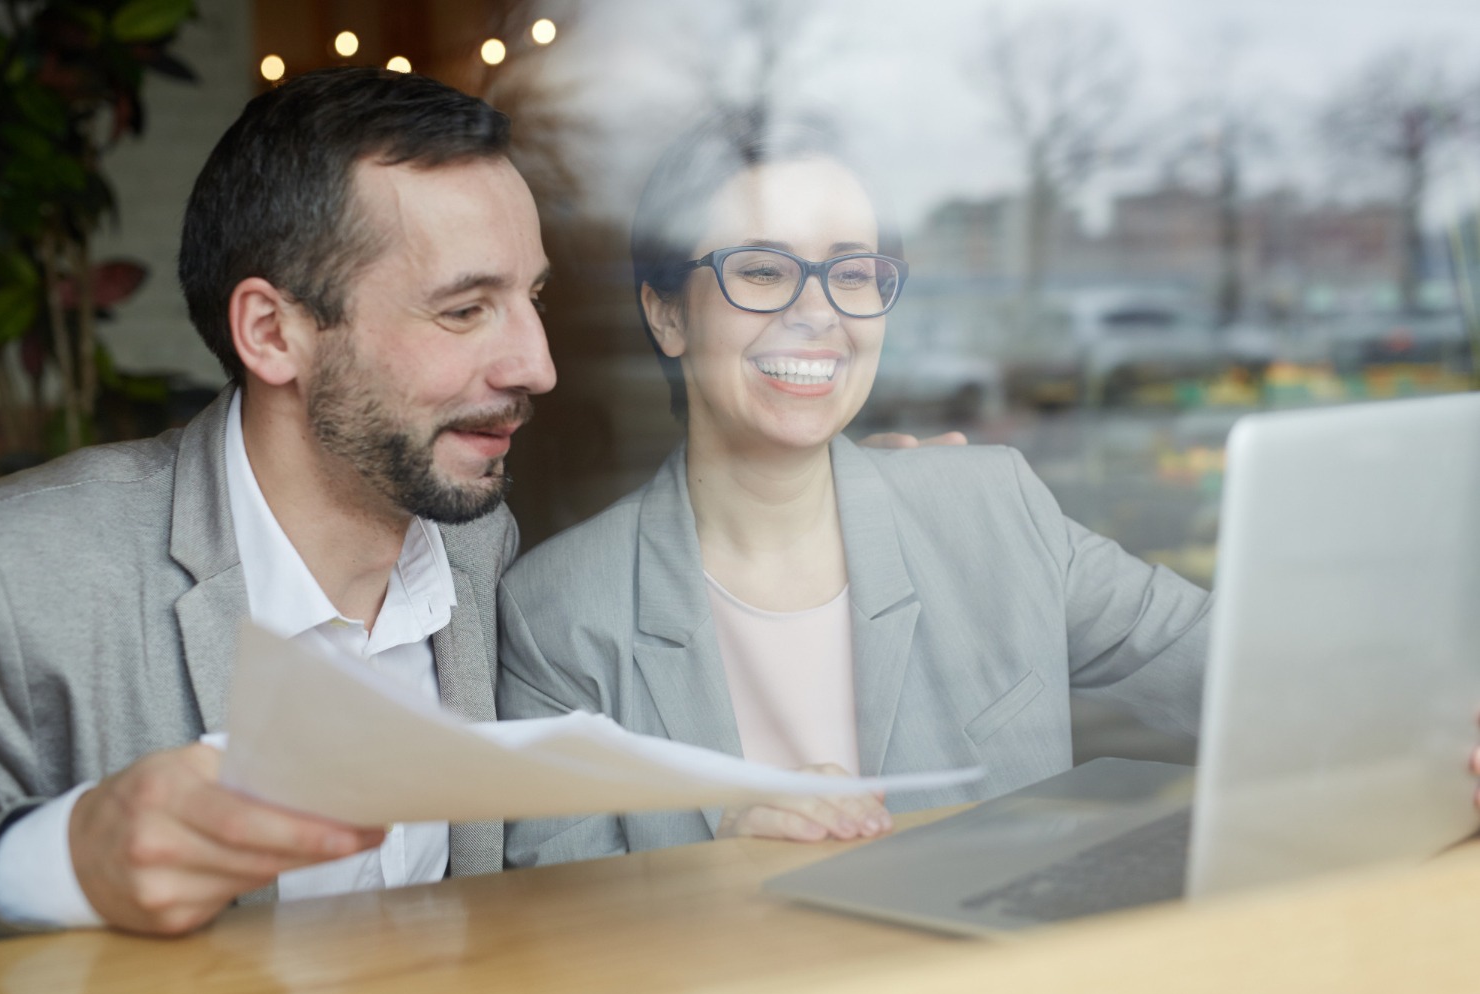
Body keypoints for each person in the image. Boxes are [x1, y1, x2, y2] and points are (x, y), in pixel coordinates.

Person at [495, 111, 1480, 867]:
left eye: (853, 272)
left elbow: (1235, 675)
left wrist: (1438, 721)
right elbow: (557, 924)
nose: (818, 315)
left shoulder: (988, 507)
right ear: (667, 313)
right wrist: (718, 860)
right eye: (761, 271)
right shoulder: (556, 618)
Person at [0, 67, 554, 938]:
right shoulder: (13, 572)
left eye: (532, 298)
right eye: (466, 309)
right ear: (271, 333)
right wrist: (70, 856)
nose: (537, 366)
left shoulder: (484, 548)